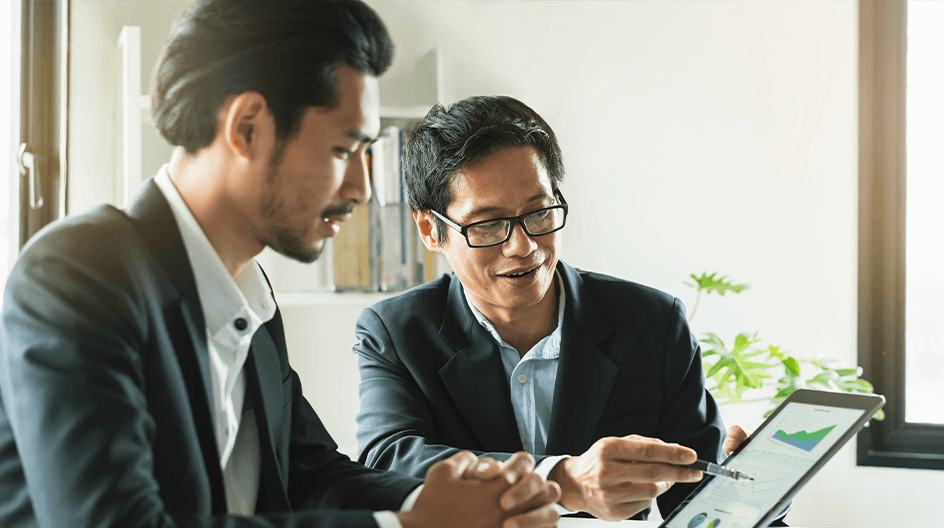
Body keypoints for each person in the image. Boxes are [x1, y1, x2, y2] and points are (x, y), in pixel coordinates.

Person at [0, 3, 561, 528]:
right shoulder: (79, 274)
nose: (361, 188)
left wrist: (453, 503)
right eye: (344, 150)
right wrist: (404, 525)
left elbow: (307, 470)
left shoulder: (249, 293)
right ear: (247, 128)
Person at [353, 95, 769, 522]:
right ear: (430, 230)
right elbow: (390, 460)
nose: (524, 246)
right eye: (489, 224)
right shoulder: (396, 332)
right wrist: (563, 480)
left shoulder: (653, 324)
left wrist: (761, 484)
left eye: (538, 212)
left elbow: (701, 504)